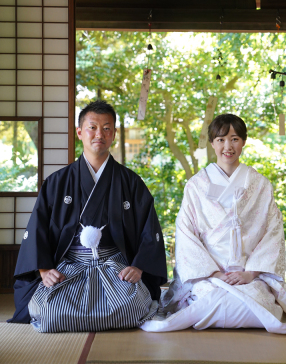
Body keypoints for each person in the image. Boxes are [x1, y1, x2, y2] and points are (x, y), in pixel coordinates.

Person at [141, 114, 286, 337]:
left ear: (244, 141)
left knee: (256, 302)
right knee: (212, 300)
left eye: (235, 139)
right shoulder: (196, 185)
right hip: (208, 275)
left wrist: (251, 273)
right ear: (212, 143)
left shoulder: (260, 184)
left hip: (249, 273)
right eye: (221, 139)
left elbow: (273, 232)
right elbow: (186, 233)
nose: (228, 146)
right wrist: (213, 273)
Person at [9, 100, 167, 332]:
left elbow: (148, 229)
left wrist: (139, 267)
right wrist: (44, 270)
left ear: (113, 134)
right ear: (80, 132)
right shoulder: (57, 182)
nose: (99, 134)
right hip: (70, 266)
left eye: (106, 128)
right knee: (48, 310)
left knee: (133, 306)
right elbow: (37, 229)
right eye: (92, 127)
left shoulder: (131, 182)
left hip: (115, 267)